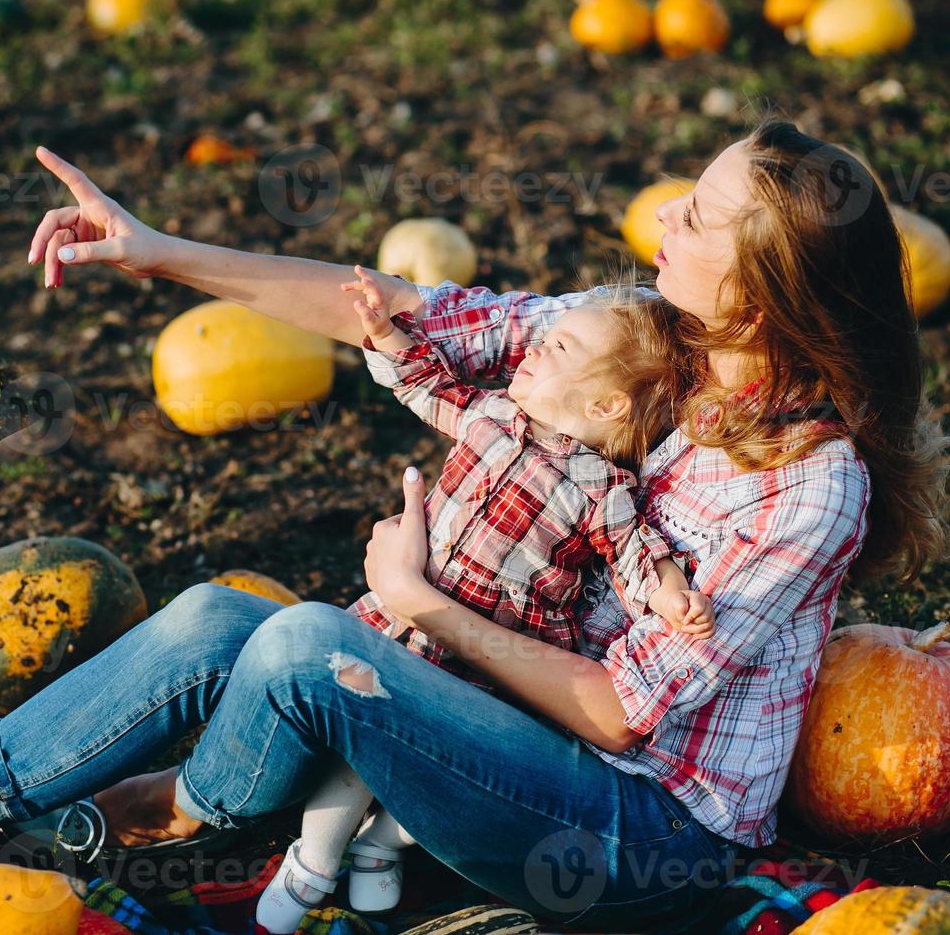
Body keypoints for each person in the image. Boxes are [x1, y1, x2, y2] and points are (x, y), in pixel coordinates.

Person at [0, 120, 950, 930]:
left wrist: (421, 605)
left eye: (696, 215)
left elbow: (621, 716)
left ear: (754, 302)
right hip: (525, 727)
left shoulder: (809, 485)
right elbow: (410, 313)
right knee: (225, 615)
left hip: (637, 829)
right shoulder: (647, 337)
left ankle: (165, 810)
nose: (663, 214)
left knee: (315, 646)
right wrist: (161, 249)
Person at [254, 267, 713, 932]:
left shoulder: (605, 491)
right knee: (363, 736)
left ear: (609, 406)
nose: (534, 350)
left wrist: (672, 597)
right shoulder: (491, 415)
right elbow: (426, 384)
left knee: (432, 771)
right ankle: (314, 861)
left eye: (559, 350)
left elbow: (639, 556)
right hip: (408, 621)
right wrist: (385, 334)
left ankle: (380, 847)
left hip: (487, 656)